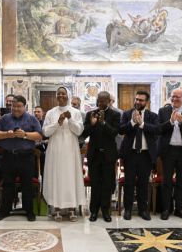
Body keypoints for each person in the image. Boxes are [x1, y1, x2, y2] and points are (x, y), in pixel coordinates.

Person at [0, 95, 43, 221]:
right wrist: (6, 134)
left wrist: (24, 134)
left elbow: (39, 135)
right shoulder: (5, 118)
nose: (16, 109)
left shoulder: (31, 119)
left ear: (24, 107)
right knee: (7, 184)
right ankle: (4, 210)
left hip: (26, 156)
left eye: (19, 106)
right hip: (8, 156)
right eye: (14, 106)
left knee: (27, 185)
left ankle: (29, 211)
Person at [43, 87, 86, 221]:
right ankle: (56, 209)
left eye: (63, 93)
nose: (61, 96)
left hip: (70, 149)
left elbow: (79, 131)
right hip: (55, 149)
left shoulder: (76, 112)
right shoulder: (51, 112)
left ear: (68, 95)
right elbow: (45, 132)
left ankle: (72, 209)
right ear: (56, 96)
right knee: (56, 176)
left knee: (70, 176)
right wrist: (58, 122)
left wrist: (70, 119)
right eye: (59, 94)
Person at [158, 88, 182, 220]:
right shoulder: (163, 111)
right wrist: (170, 122)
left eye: (178, 97)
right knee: (166, 181)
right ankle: (166, 209)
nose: (175, 99)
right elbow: (159, 130)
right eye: (173, 96)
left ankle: (178, 209)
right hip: (168, 150)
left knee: (181, 181)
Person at [119, 90, 158, 221]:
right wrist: (132, 122)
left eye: (141, 100)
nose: (137, 102)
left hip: (146, 155)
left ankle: (143, 210)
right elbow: (121, 129)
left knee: (143, 183)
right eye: (136, 99)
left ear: (146, 102)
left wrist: (141, 124)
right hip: (130, 154)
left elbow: (156, 130)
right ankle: (128, 209)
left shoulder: (152, 116)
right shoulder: (127, 114)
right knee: (129, 183)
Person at [82, 91, 121, 222]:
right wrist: (92, 124)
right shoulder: (90, 114)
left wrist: (103, 123)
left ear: (109, 101)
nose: (100, 103)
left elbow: (114, 133)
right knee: (95, 184)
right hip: (94, 154)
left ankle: (105, 211)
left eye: (103, 101)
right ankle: (93, 211)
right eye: (98, 100)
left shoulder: (115, 115)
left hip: (109, 155)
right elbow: (84, 133)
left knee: (107, 184)